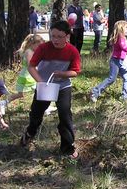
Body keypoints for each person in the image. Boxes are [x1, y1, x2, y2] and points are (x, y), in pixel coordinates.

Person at [20, 20, 81, 158]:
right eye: (53, 36)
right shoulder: (43, 48)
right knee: (36, 114)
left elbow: (76, 71)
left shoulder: (72, 51)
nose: (55, 40)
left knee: (65, 115)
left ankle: (67, 147)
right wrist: (41, 83)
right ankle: (30, 133)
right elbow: (31, 67)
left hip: (63, 86)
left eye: (60, 37)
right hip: (44, 85)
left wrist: (63, 74)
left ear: (67, 36)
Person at [90, 20, 127, 103]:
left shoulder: (122, 38)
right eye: (126, 28)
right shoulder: (121, 38)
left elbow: (126, 47)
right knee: (111, 79)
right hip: (116, 61)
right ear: (121, 28)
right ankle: (95, 92)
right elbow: (124, 48)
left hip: (122, 61)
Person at [9, 33, 45, 102]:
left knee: (20, 94)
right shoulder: (29, 52)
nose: (40, 48)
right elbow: (30, 64)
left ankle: (5, 101)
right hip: (29, 75)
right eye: (39, 46)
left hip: (26, 74)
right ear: (33, 44)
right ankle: (45, 107)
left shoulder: (31, 51)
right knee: (41, 89)